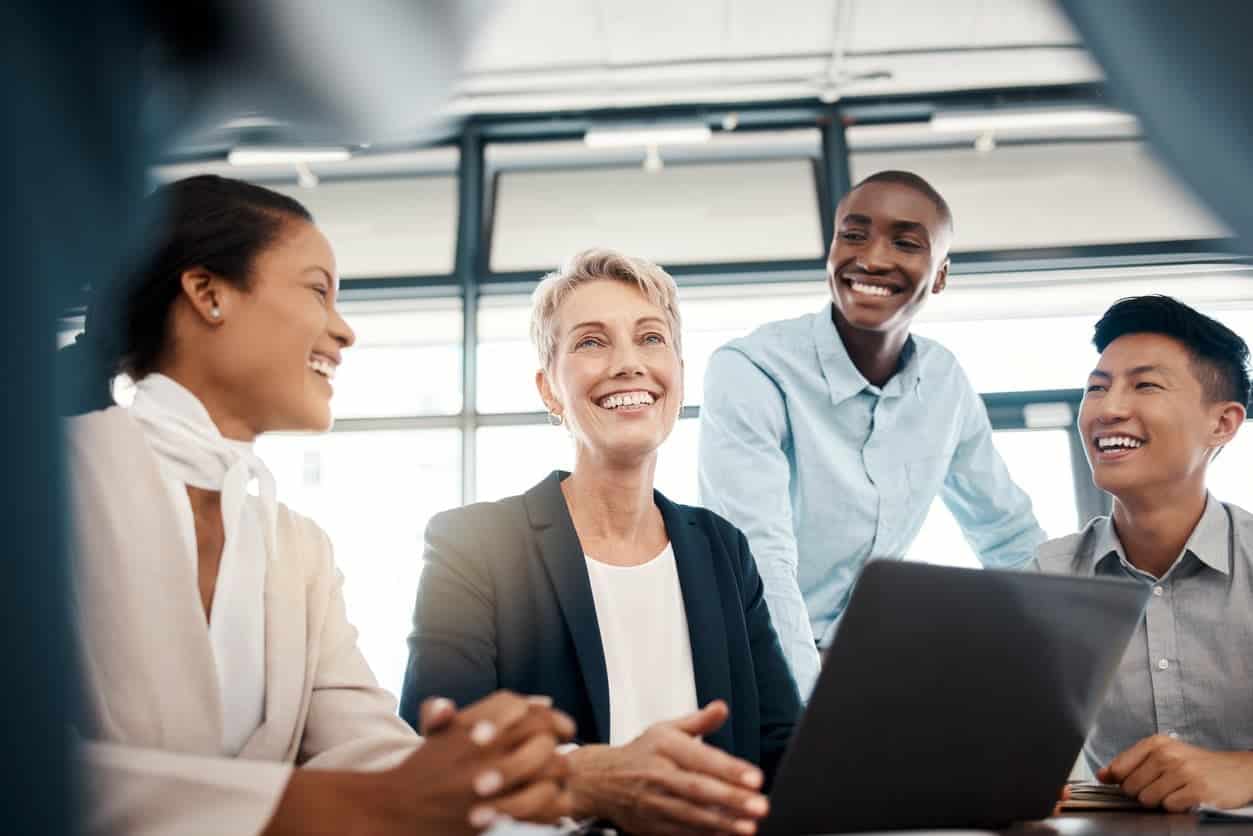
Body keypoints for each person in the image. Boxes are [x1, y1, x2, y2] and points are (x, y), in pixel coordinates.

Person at [62, 174, 576, 836]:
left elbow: (364, 753)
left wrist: (483, 771)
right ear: (208, 293)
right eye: (318, 290)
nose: (344, 331)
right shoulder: (44, 481)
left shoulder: (298, 546)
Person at [401, 248, 802, 835]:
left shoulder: (722, 549)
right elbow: (435, 751)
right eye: (591, 342)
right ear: (550, 390)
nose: (628, 364)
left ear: (679, 375)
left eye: (650, 339)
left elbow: (780, 749)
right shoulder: (475, 545)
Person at [697, 170, 1046, 696]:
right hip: (753, 664)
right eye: (853, 235)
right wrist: (803, 715)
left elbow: (1009, 538)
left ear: (941, 274)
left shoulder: (944, 382)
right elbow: (762, 561)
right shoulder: (753, 369)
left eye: (905, 243)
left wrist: (1085, 657)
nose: (873, 258)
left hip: (861, 667)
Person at [1034, 295, 1253, 812]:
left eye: (1146, 385)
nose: (1109, 409)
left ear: (1222, 423)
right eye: (1097, 388)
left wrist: (1244, 771)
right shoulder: (1048, 577)